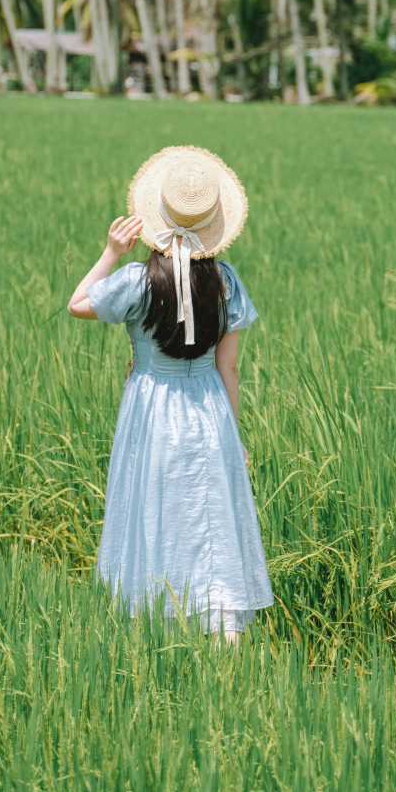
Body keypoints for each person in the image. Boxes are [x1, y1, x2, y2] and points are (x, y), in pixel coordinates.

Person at [67, 144, 273, 640]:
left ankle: (152, 623)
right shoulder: (225, 283)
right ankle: (221, 629)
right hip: (207, 406)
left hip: (151, 406)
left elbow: (77, 304)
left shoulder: (138, 280)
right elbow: (230, 367)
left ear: (154, 219)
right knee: (209, 511)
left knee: (153, 506)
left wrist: (112, 252)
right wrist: (234, 434)